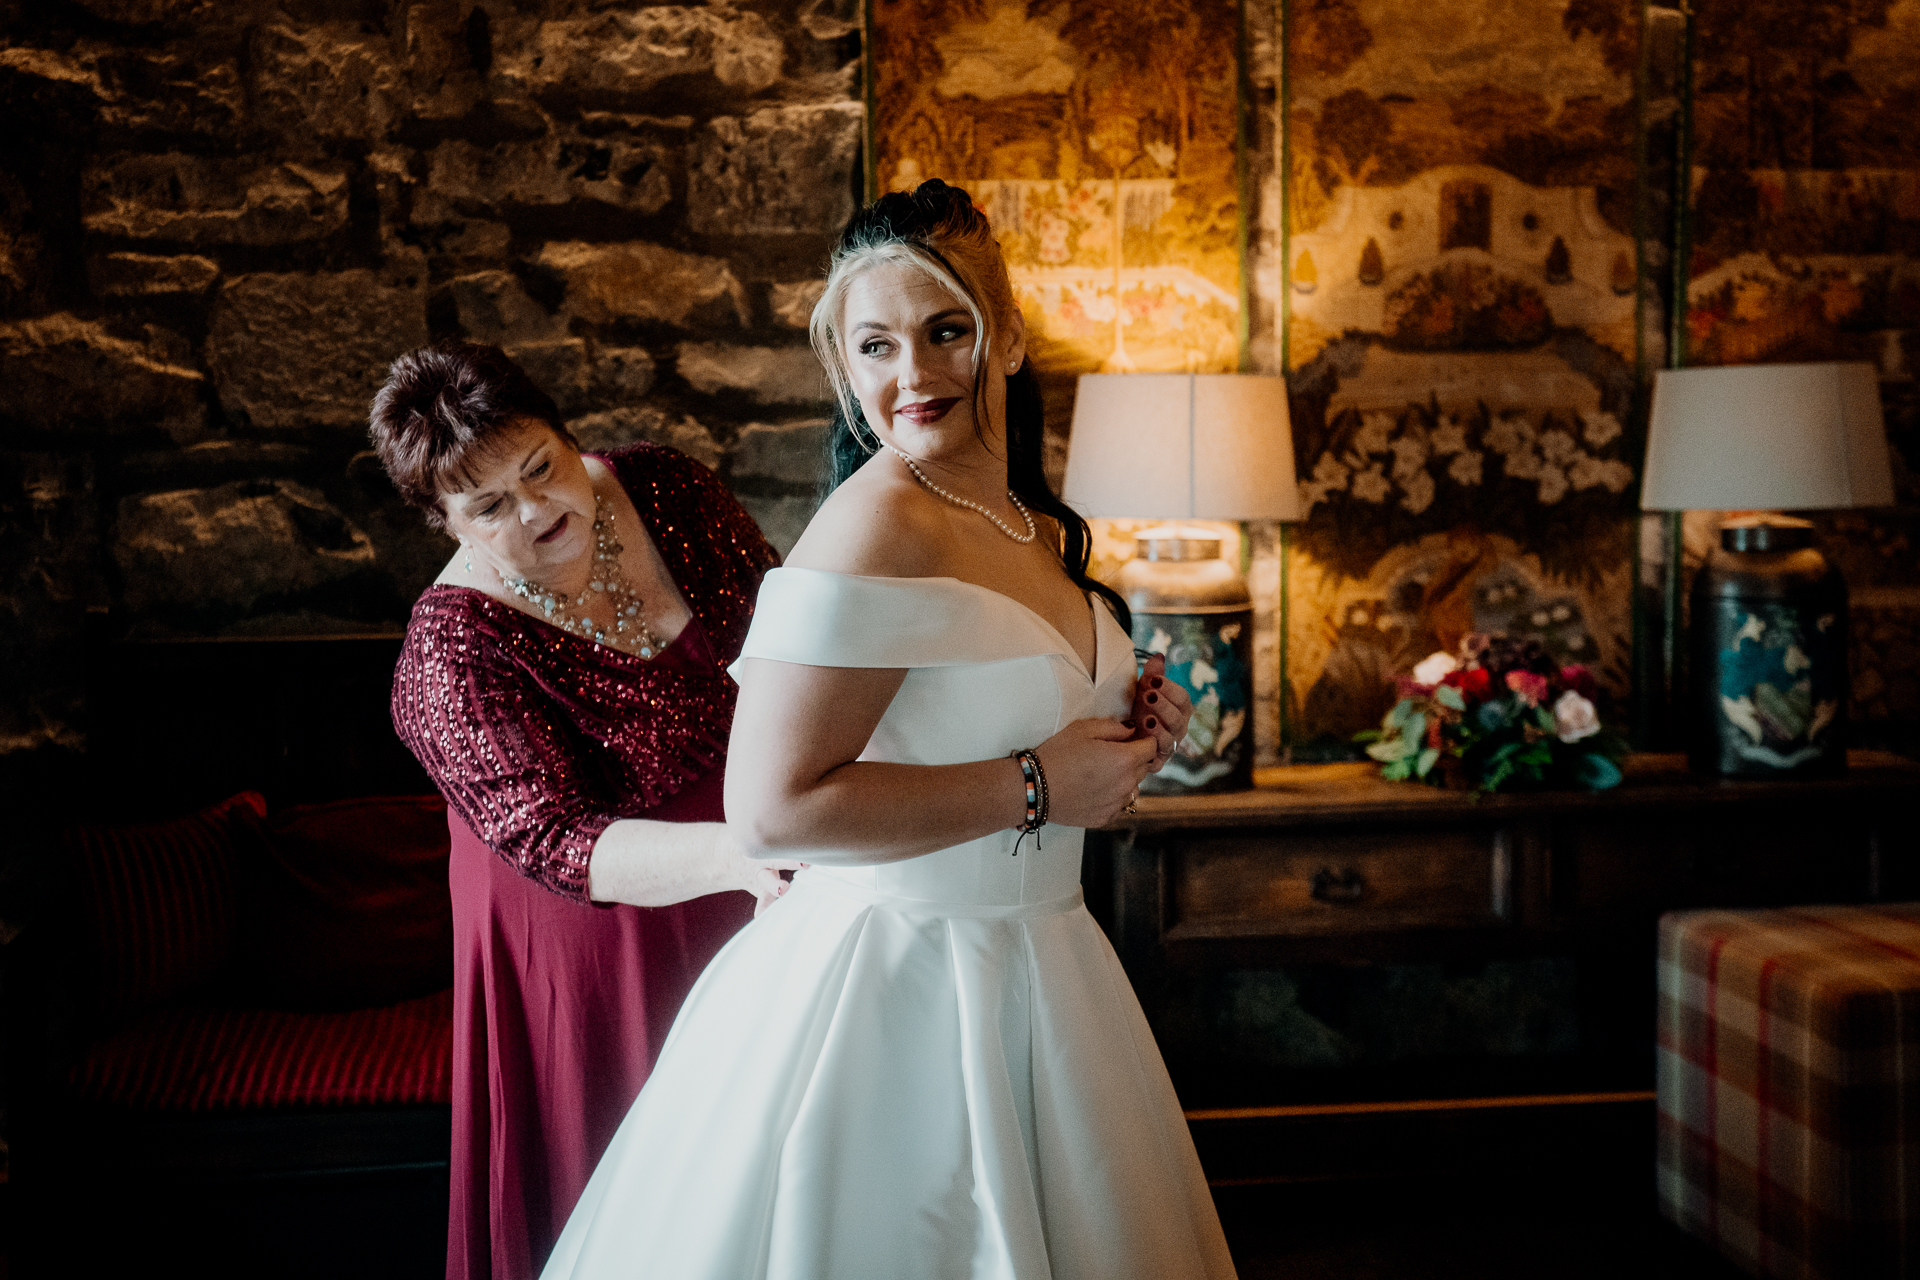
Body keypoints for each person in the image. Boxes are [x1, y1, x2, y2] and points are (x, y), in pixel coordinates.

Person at [542, 182, 1236, 1278]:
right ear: (844, 367)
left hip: (1048, 971)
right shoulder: (874, 522)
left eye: (944, 329)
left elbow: (1032, 760)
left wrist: (1127, 737)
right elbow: (770, 811)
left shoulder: (1028, 520)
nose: (910, 374)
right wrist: (1039, 784)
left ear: (1003, 335)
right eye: (875, 345)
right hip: (899, 994)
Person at [371, 343, 797, 1280]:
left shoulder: (668, 491)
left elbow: (793, 636)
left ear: (570, 437)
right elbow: (557, 840)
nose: (538, 509)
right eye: (490, 506)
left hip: (763, 867)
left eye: (543, 468)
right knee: (641, 1203)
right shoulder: (447, 655)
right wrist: (746, 854)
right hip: (597, 942)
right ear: (440, 520)